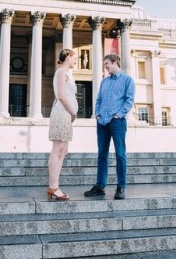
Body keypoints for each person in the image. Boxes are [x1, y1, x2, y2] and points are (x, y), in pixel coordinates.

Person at [84, 54, 135, 200]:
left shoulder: (127, 80)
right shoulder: (104, 82)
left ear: (114, 62)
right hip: (102, 123)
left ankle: (121, 187)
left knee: (120, 154)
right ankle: (100, 186)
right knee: (102, 155)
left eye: (107, 63)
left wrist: (119, 114)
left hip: (117, 122)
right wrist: (98, 115)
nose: (105, 66)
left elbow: (129, 100)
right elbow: (98, 100)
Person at [47, 49, 78, 201]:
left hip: (65, 114)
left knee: (63, 150)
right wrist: (73, 111)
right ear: (67, 57)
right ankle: (53, 187)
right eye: (74, 58)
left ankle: (55, 185)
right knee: (57, 148)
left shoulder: (66, 74)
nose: (75, 61)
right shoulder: (60, 73)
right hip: (63, 112)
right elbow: (60, 95)